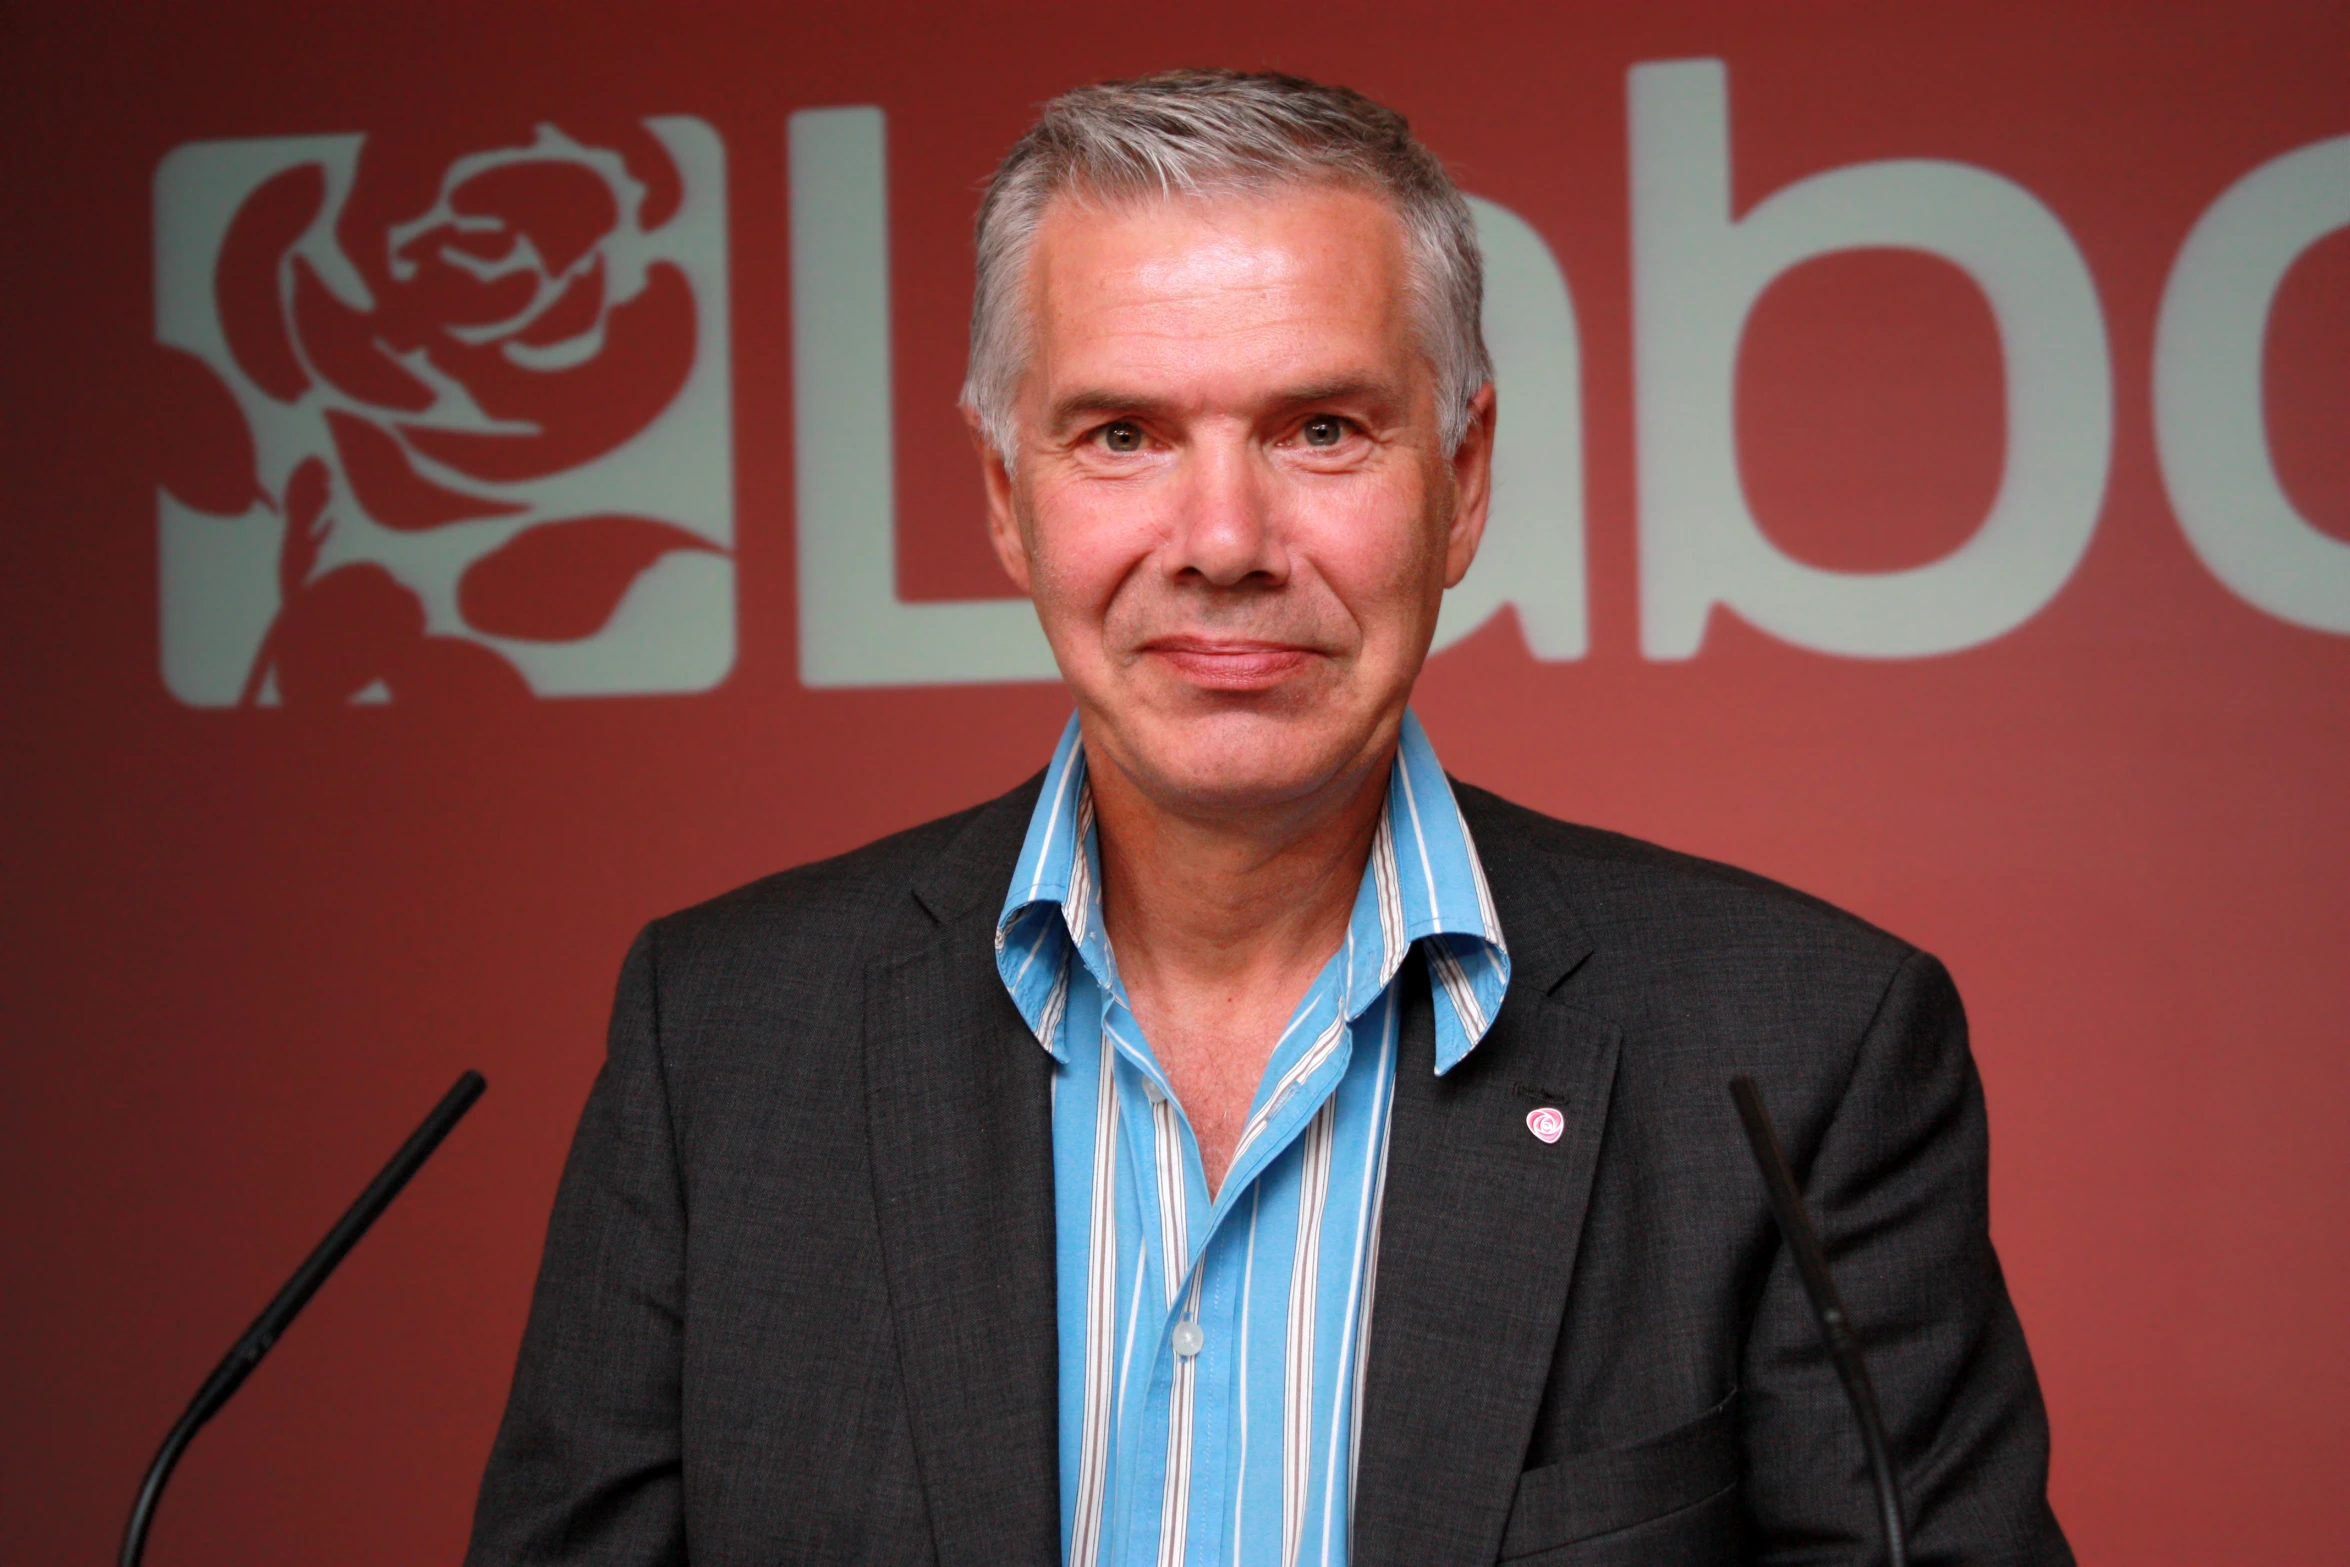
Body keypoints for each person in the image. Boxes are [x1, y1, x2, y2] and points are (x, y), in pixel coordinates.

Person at [467, 70, 2071, 1567]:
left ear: (1465, 475)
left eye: (1321, 429)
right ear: (1002, 497)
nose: (1223, 539)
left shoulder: (1805, 1051)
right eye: (1121, 435)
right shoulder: (724, 1038)